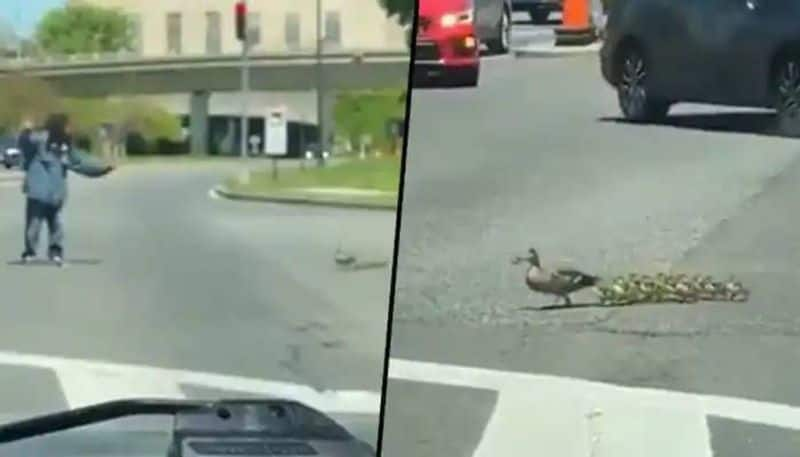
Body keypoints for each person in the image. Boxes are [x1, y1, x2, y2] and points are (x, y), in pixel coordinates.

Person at [21, 113, 115, 265]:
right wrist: (25, 132)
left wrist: (102, 169)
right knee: (37, 223)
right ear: (59, 126)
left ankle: (51, 251)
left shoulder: (64, 146)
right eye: (67, 126)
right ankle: (34, 252)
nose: (70, 129)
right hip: (39, 191)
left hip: (52, 192)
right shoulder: (40, 140)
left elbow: (80, 163)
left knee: (51, 223)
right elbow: (25, 144)